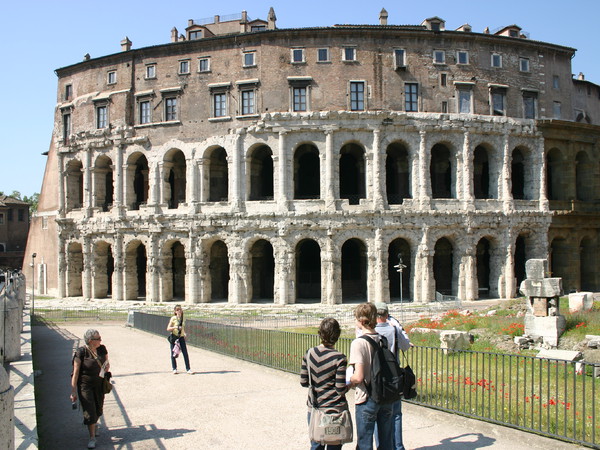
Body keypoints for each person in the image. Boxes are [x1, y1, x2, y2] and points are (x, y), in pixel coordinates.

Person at [349, 303, 394, 450]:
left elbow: (359, 376)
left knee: (364, 443)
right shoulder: (383, 339)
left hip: (367, 397)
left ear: (361, 321)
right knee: (387, 442)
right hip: (385, 396)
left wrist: (348, 381)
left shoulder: (359, 343)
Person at [300, 318, 349, 450]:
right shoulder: (339, 358)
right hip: (334, 411)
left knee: (316, 444)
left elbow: (303, 381)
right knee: (334, 445)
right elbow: (340, 389)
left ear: (320, 333)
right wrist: (350, 384)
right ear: (337, 335)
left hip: (315, 408)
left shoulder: (309, 353)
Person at [374, 302, 411, 450]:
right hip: (394, 376)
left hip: (377, 377)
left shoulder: (370, 331)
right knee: (396, 414)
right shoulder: (394, 329)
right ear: (387, 315)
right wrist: (395, 323)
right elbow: (406, 346)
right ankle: (398, 446)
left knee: (378, 416)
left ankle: (382, 447)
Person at [70, 329, 110, 449]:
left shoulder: (102, 349)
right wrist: (73, 391)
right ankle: (92, 437)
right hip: (85, 385)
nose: (100, 340)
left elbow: (107, 363)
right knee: (89, 410)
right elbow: (75, 373)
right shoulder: (81, 352)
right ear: (91, 341)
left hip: (99, 384)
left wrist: (106, 367)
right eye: (98, 338)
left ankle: (94, 423)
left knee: (98, 408)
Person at [167, 304, 192, 374]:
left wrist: (184, 333)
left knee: (185, 353)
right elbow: (168, 328)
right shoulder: (173, 318)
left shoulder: (183, 318)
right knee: (173, 353)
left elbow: (183, 328)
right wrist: (175, 327)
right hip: (174, 337)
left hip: (181, 337)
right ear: (175, 311)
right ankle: (174, 368)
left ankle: (188, 369)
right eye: (177, 310)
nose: (179, 311)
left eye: (180, 309)